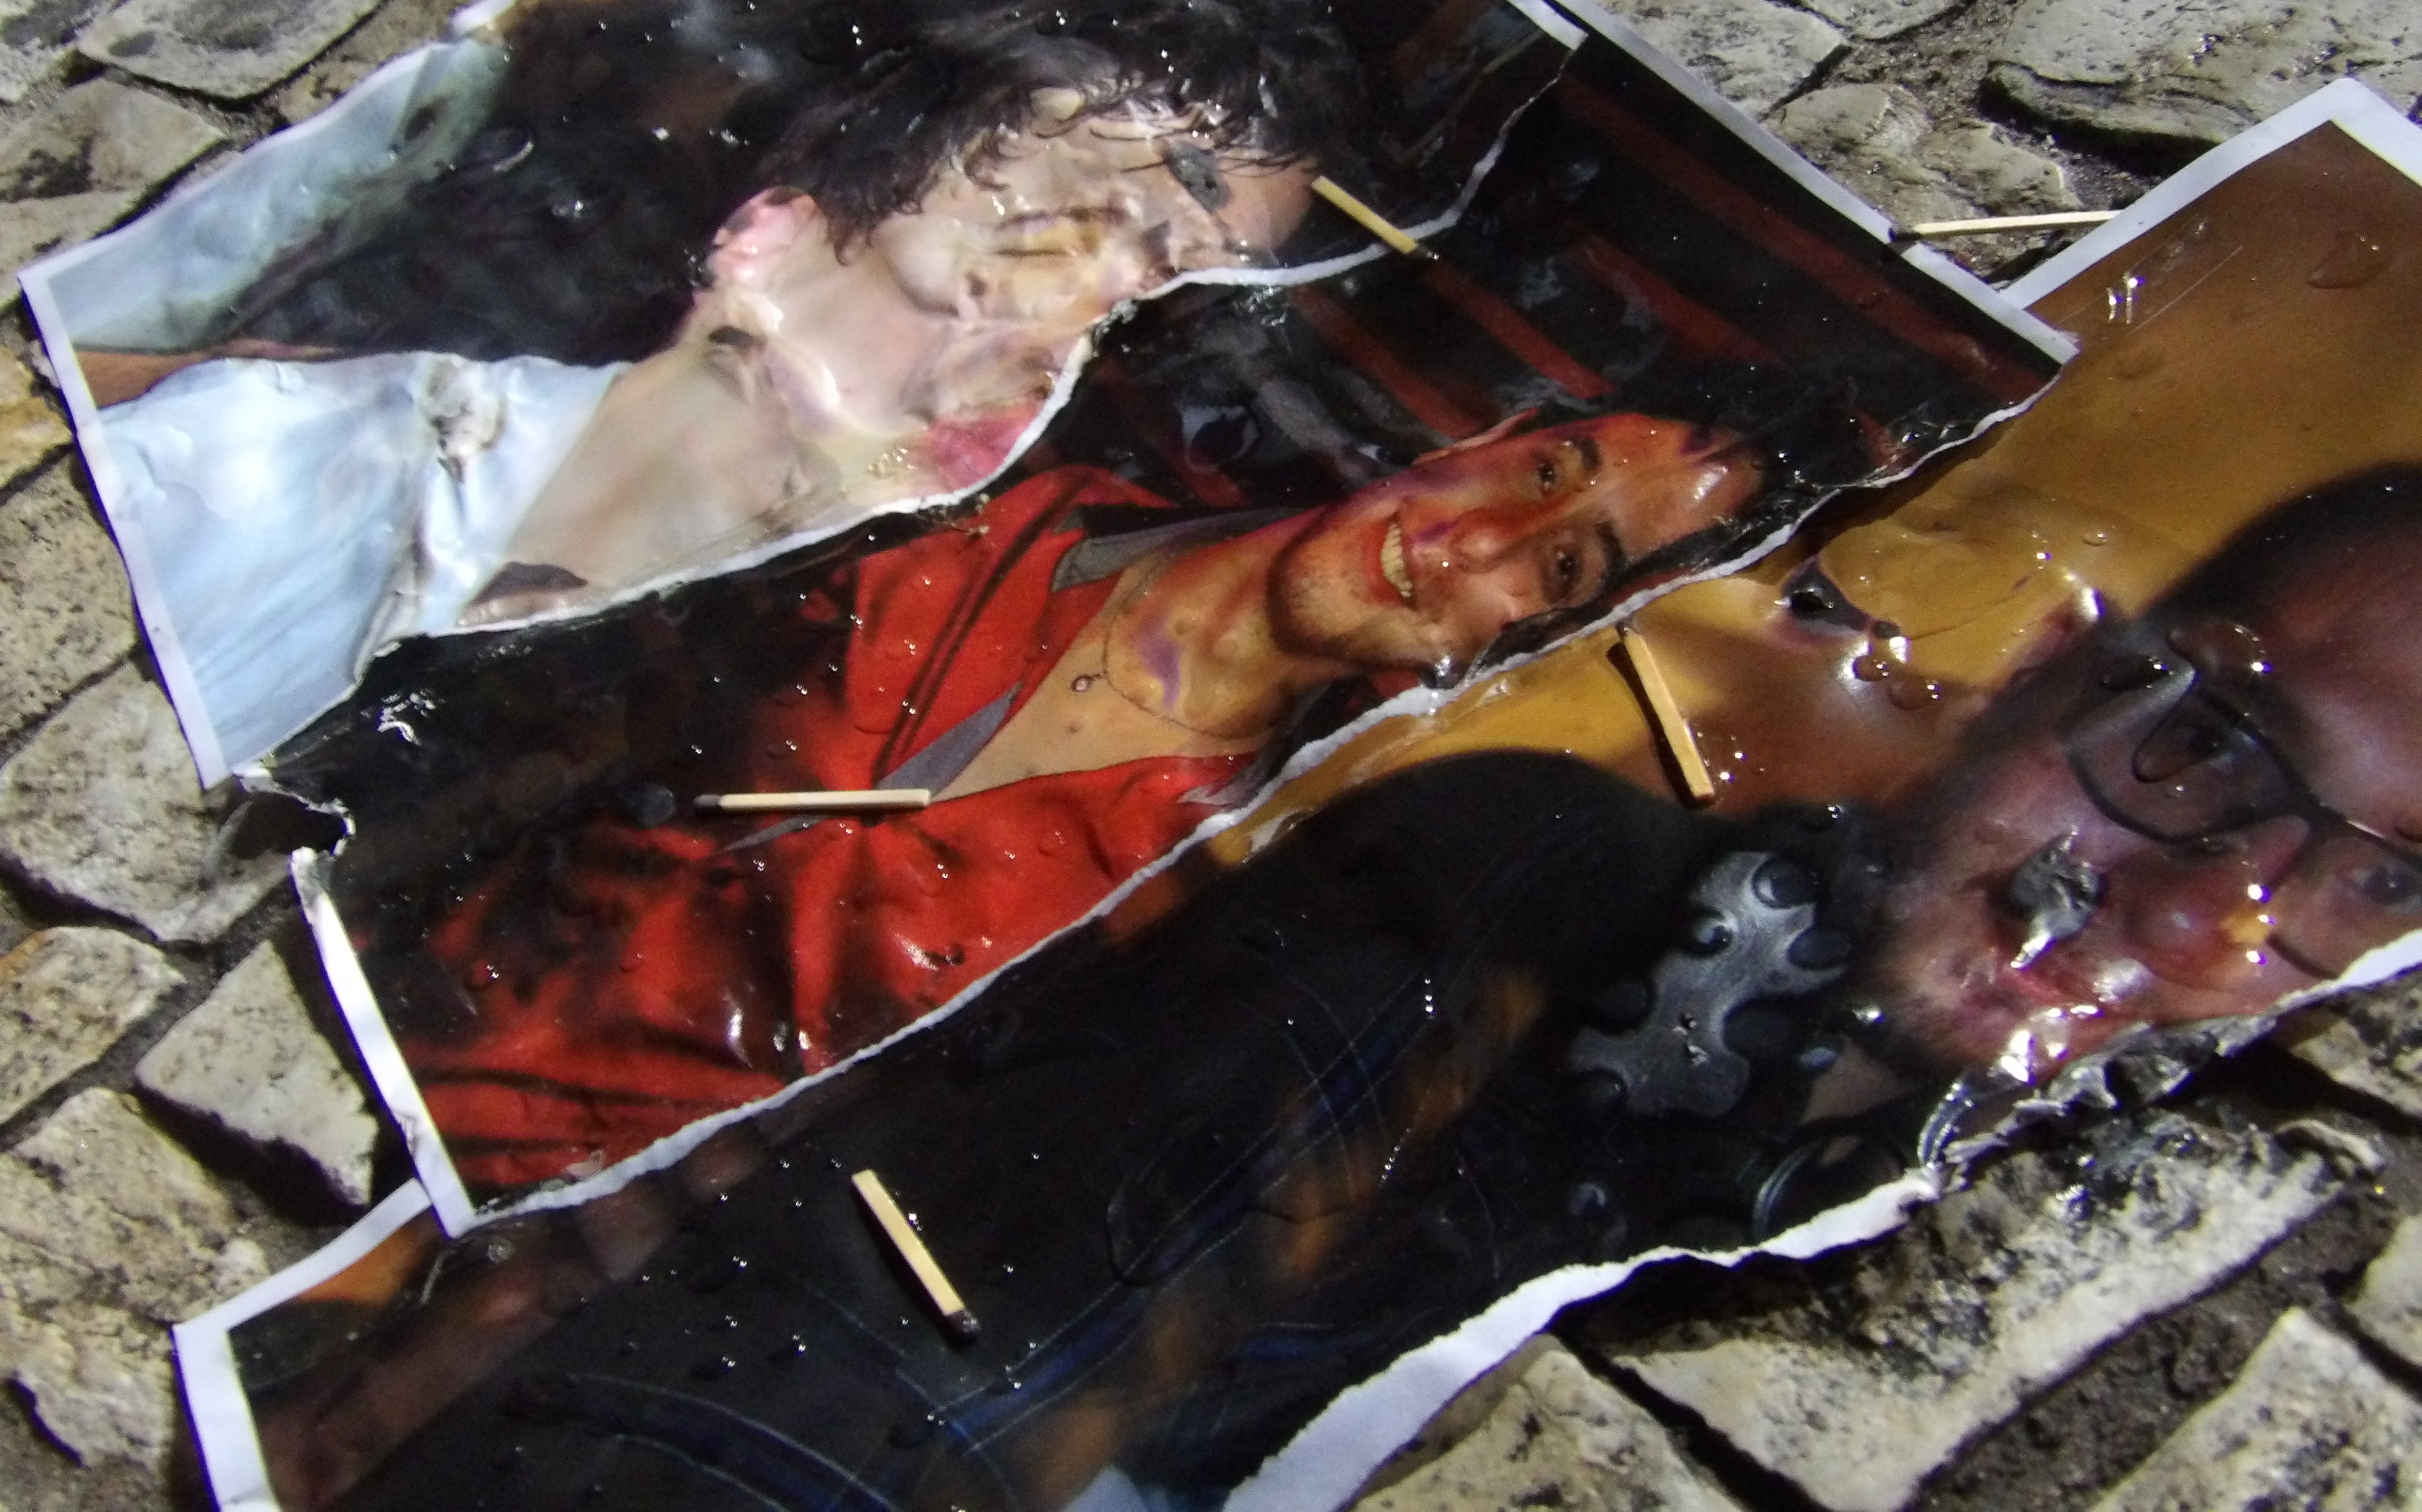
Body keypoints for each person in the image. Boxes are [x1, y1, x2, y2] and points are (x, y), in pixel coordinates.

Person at [265, 467, 2422, 1512]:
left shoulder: (2079, 1269)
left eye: (2365, 876)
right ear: (2050, 666)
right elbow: (929, 1395)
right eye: (2205, 746)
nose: (2193, 912)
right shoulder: (1554, 878)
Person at [396, 406, 1763, 1191]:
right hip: (371, 966)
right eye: (1544, 473)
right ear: (1492, 431)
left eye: (1561, 568)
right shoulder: (1004, 487)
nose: (1473, 538)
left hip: (469, 1221)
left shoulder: (1207, 898)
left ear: (1520, 650)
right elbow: (556, 687)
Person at [74, 0, 1362, 773]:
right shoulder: (277, 465)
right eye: (1034, 209)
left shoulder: (575, 701)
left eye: (1157, 282)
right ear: (766, 233)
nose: (1065, 308)